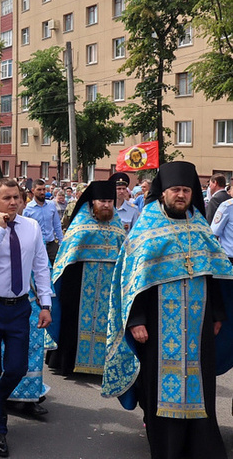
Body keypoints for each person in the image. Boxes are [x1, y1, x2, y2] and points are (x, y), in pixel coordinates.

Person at [102, 161, 233, 459]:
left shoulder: (200, 226)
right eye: (175, 190)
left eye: (186, 190)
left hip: (199, 323)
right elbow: (132, 282)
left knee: (200, 383)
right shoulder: (146, 228)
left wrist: (218, 315)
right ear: (163, 193)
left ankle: (201, 445)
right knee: (160, 387)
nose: (181, 195)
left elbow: (214, 275)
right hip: (158, 326)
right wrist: (136, 320)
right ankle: (167, 447)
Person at [0, 178, 52, 458]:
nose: (13, 202)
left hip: (18, 307)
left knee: (16, 367)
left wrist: (46, 304)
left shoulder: (32, 227)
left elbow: (41, 265)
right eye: (7, 198)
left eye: (17, 197)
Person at [47, 180, 125, 376]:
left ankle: (103, 364)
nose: (106, 205)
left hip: (109, 287)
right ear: (92, 203)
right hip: (79, 286)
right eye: (102, 201)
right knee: (72, 322)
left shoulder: (117, 228)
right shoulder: (79, 226)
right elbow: (65, 261)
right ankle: (68, 363)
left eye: (109, 201)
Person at [23, 178, 63, 263]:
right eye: (39, 190)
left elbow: (57, 225)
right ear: (33, 190)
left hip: (51, 244)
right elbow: (24, 229)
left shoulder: (51, 205)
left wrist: (61, 242)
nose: (42, 192)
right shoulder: (27, 208)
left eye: (44, 189)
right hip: (36, 245)